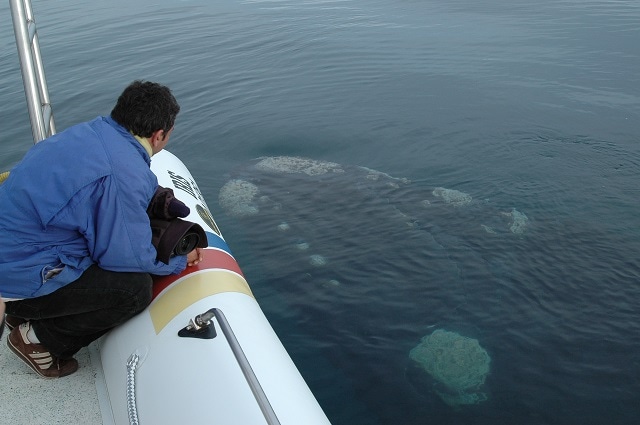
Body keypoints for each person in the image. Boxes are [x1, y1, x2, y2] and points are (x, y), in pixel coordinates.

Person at [0, 80, 202, 378]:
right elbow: (127, 258)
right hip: (21, 274)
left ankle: (20, 312)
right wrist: (178, 261)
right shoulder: (122, 172)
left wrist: (152, 197)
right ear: (160, 134)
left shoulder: (90, 132)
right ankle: (40, 340)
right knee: (132, 291)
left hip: (14, 254)